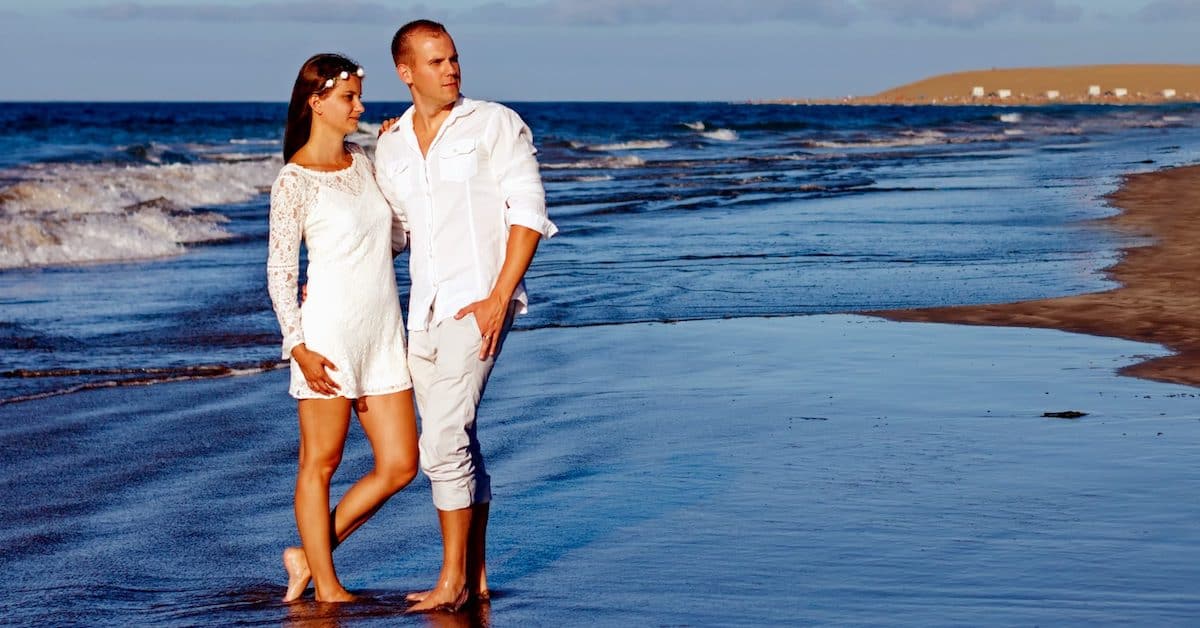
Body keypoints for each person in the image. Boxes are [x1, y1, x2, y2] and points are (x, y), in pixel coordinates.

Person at [374, 20, 557, 612]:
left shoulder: (495, 124)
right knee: (461, 441)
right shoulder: (392, 142)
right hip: (421, 311)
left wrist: (500, 295)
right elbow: (397, 233)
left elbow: (528, 210)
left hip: (479, 301)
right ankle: (475, 576)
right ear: (406, 72)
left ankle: (450, 579)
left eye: (453, 58)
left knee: (444, 439)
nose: (450, 69)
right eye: (435, 62)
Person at [267, 53, 419, 603]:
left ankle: (307, 557)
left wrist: (395, 154)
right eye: (348, 98)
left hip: (382, 332)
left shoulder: (364, 161)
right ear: (317, 103)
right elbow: (281, 270)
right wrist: (297, 345)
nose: (359, 106)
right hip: (326, 337)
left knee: (401, 463)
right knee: (321, 462)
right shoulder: (293, 181)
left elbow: (396, 239)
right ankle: (327, 587)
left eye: (358, 95)